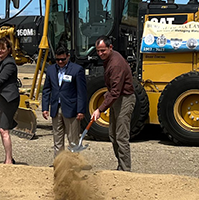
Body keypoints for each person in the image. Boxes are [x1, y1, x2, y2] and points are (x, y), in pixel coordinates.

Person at [89, 37, 135, 171]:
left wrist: (100, 109)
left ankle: (126, 170)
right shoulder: (108, 60)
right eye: (98, 51)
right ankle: (121, 166)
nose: (100, 54)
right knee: (113, 135)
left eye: (103, 50)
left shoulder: (116, 64)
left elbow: (116, 91)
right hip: (116, 99)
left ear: (110, 47)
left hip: (124, 99)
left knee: (121, 136)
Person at [41, 45, 87, 157]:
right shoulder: (51, 70)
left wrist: (81, 110)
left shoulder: (77, 70)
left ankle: (74, 164)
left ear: (68, 56)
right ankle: (59, 164)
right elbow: (46, 89)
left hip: (71, 109)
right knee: (57, 139)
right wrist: (45, 108)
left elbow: (81, 92)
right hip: (56, 108)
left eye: (63, 59)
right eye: (58, 59)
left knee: (73, 139)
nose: (60, 62)